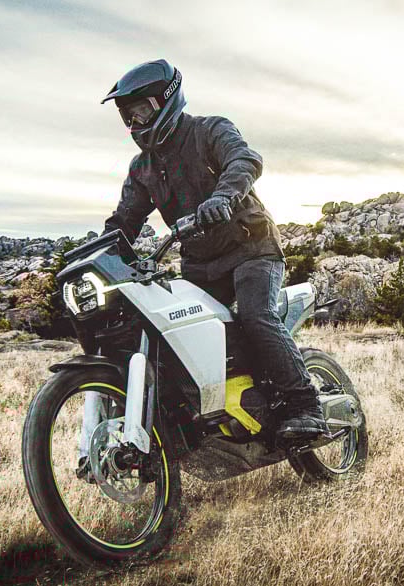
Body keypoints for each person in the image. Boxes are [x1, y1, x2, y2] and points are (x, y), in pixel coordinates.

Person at [100, 59, 325, 440]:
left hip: (251, 247)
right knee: (175, 335)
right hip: (201, 264)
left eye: (143, 112)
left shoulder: (210, 130)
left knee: (255, 316)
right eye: (129, 117)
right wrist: (100, 250)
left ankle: (306, 404)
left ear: (167, 101)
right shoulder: (143, 169)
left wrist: (223, 196)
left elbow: (245, 159)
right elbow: (125, 220)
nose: (136, 124)